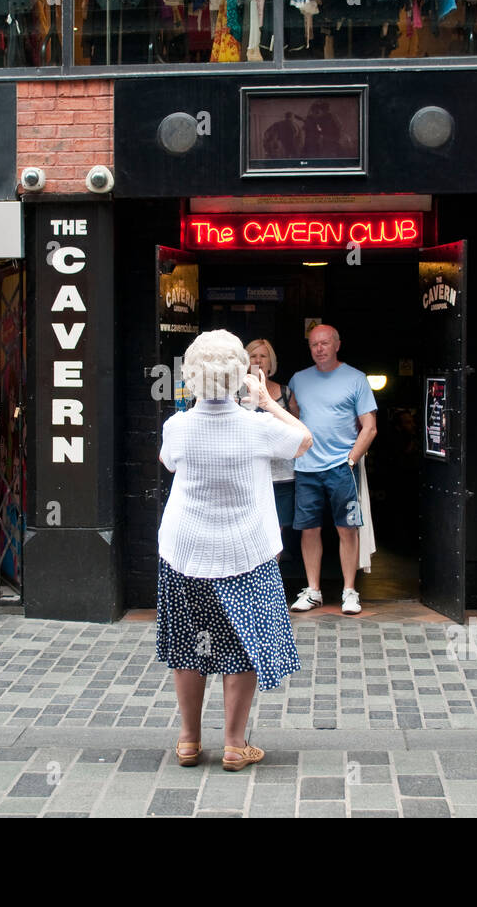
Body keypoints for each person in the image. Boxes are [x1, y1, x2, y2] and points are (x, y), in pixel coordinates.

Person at [157, 330, 312, 771]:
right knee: (241, 648)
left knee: (189, 646)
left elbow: (169, 461)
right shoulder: (259, 427)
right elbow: (304, 440)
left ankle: (189, 742)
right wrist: (266, 401)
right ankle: (233, 743)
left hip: (184, 550)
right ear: (241, 375)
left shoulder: (177, 426)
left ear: (192, 376)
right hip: (246, 554)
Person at [286, 324, 378, 615]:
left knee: (346, 529)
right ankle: (313, 591)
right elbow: (292, 421)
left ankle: (349, 591)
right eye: (314, 344)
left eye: (325, 343)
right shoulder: (299, 380)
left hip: (341, 467)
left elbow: (370, 428)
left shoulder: (356, 379)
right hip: (306, 469)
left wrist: (350, 461)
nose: (319, 349)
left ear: (337, 345)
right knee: (308, 530)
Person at [244, 338, 299, 531]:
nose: (258, 360)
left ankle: (274, 563)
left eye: (263, 356)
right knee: (251, 527)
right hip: (249, 474)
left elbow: (297, 429)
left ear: (271, 362)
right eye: (253, 356)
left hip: (282, 475)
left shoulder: (285, 392)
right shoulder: (236, 394)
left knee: (277, 530)